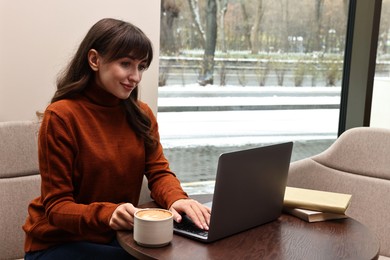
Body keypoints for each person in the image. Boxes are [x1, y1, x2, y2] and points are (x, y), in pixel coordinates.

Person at [23, 18, 211, 259]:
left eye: (141, 66)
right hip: (58, 242)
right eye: (126, 64)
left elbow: (159, 172)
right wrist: (109, 214)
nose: (136, 77)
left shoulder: (142, 114)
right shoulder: (61, 116)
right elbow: (57, 208)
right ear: (94, 60)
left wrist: (176, 199)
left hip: (116, 236)